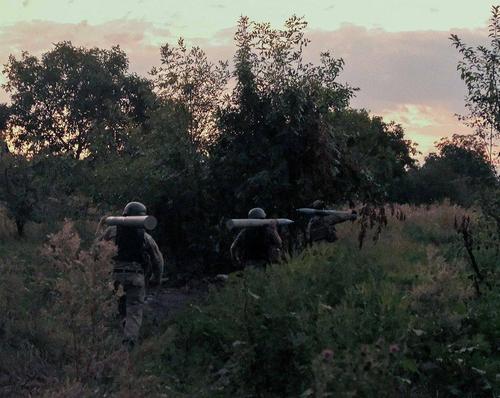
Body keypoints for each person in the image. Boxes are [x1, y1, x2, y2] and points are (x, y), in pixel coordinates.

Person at [97, 201, 164, 349]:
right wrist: (156, 278)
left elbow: (96, 249)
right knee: (133, 311)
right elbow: (158, 260)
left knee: (119, 308)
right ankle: (128, 345)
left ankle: (111, 341)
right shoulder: (146, 237)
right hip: (136, 278)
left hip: (115, 278)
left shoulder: (111, 231)